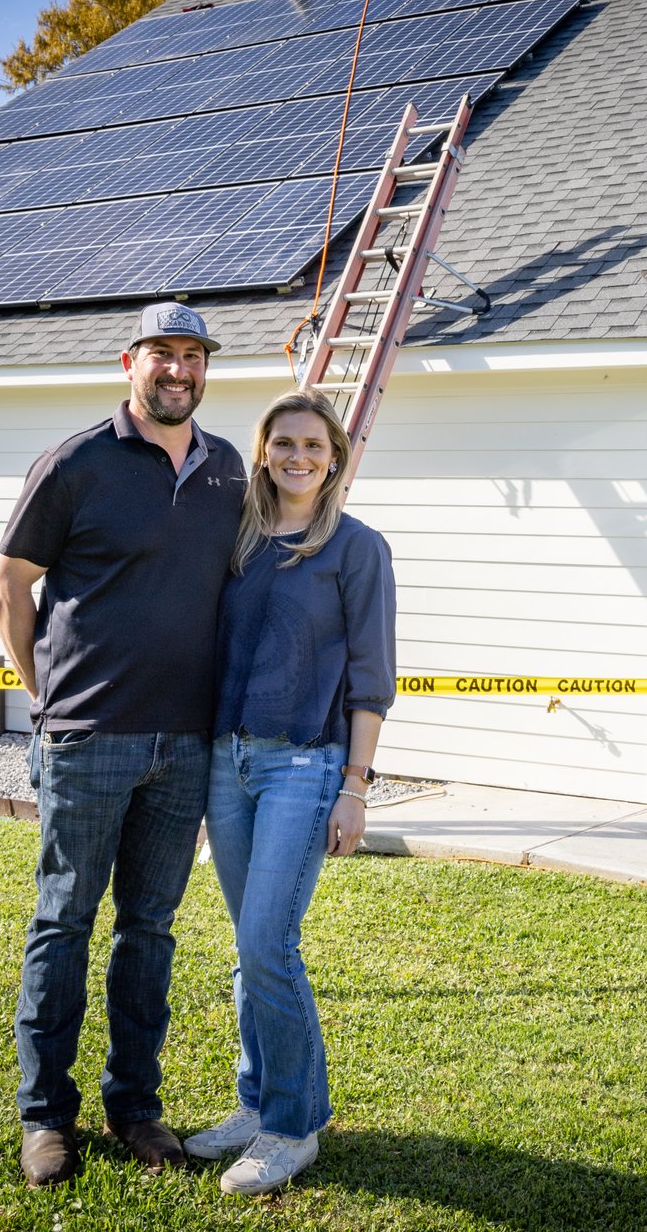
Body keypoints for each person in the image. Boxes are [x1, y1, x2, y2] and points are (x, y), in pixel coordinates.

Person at [0, 301, 246, 1188]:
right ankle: (44, 1117)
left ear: (205, 369)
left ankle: (135, 1105)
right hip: (87, 738)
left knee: (151, 930)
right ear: (127, 361)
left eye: (192, 356)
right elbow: (9, 585)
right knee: (64, 921)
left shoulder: (227, 469)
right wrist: (40, 693)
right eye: (161, 355)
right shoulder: (76, 463)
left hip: (184, 746)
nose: (178, 369)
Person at [184, 388, 396, 1196]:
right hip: (227, 762)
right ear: (264, 451)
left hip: (305, 765)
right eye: (283, 444)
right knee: (248, 944)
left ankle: (294, 1125)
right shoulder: (238, 539)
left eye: (314, 444)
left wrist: (356, 786)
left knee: (270, 942)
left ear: (335, 455)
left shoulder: (355, 547)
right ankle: (254, 1102)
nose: (298, 457)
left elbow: (373, 679)